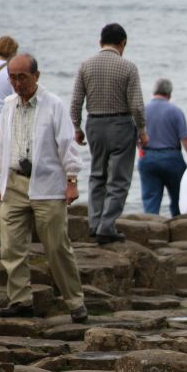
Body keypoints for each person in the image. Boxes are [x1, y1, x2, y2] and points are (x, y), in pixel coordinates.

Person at [0, 53, 87, 323]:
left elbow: (67, 144)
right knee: (11, 246)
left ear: (36, 76)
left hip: (47, 185)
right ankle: (20, 300)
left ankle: (75, 302)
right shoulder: (9, 104)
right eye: (12, 78)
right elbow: (0, 147)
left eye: (22, 77)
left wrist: (72, 181)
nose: (17, 83)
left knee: (57, 247)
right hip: (14, 183)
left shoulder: (54, 105)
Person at [70, 23, 149, 245]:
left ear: (100, 42)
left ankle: (94, 224)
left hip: (94, 124)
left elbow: (76, 101)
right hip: (121, 124)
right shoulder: (129, 67)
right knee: (119, 179)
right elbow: (137, 106)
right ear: (123, 43)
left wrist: (76, 127)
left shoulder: (85, 66)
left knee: (97, 175)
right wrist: (143, 130)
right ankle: (107, 226)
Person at [139, 78, 187, 216]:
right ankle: (179, 227)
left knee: (151, 198)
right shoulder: (175, 111)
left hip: (148, 157)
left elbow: (137, 137)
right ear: (169, 93)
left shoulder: (143, 111)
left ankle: (150, 228)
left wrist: (142, 152)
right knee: (178, 198)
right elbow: (185, 138)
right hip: (172, 158)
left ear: (154, 91)